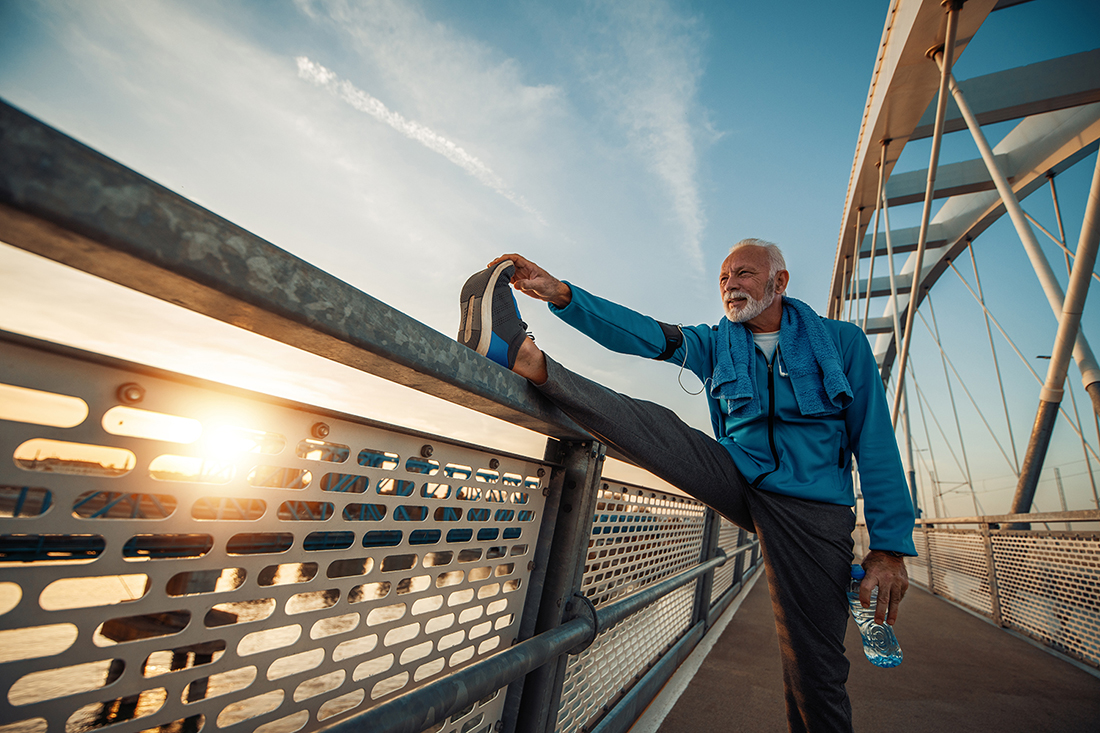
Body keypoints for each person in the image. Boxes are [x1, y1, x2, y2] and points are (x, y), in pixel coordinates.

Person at [457, 239, 916, 732]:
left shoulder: (841, 342)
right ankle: (525, 357)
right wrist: (561, 293)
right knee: (655, 425)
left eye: (743, 274)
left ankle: (835, 583)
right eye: (723, 279)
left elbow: (875, 441)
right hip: (738, 477)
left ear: (779, 282)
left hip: (811, 511)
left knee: (814, 671)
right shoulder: (715, 344)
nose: (731, 286)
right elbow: (645, 335)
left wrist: (889, 549)